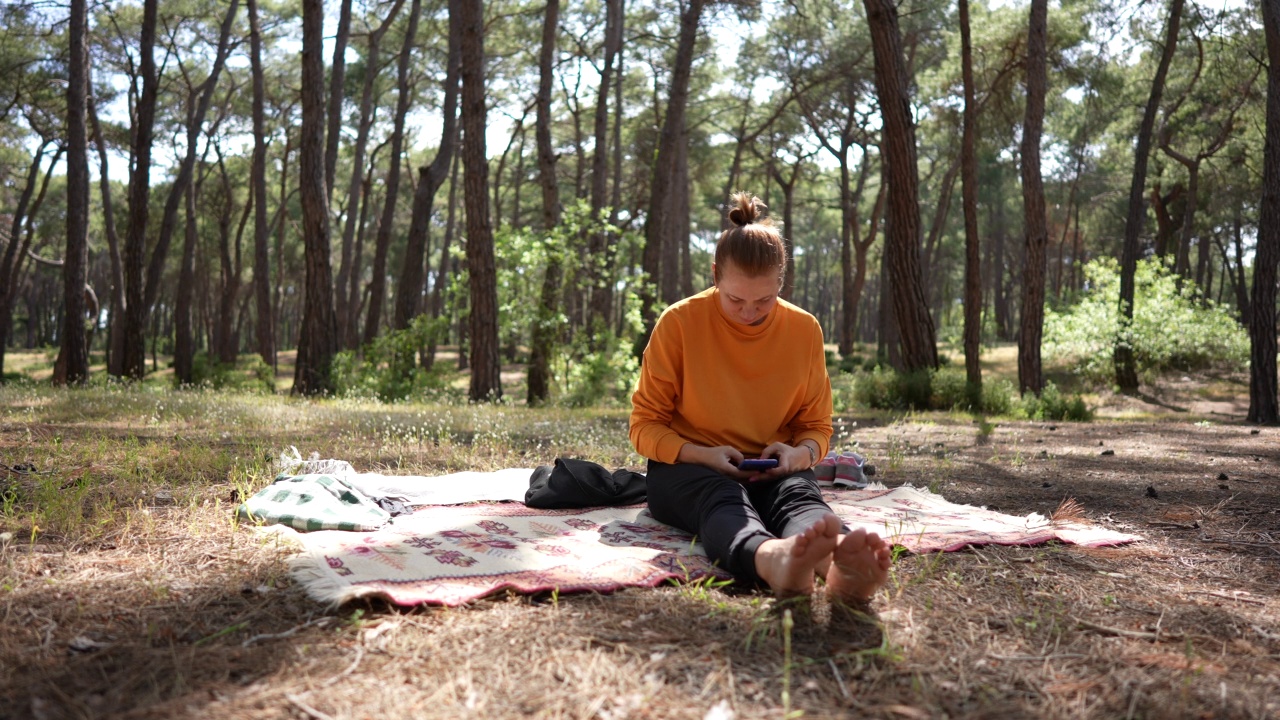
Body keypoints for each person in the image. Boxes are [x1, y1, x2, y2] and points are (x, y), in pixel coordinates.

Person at [629, 192, 892, 604]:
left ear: (781, 283)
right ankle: (774, 560)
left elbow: (816, 427)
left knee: (799, 496)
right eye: (735, 300)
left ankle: (841, 561)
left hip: (775, 468)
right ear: (716, 274)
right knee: (722, 498)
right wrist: (702, 454)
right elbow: (644, 427)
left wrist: (798, 456)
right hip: (690, 470)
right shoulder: (678, 323)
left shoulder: (804, 329)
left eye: (764, 301)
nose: (748, 313)